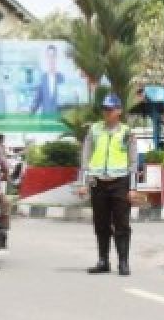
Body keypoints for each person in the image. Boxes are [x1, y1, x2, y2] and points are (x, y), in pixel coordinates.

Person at [79, 94, 137, 276]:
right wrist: (83, 183)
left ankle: (123, 262)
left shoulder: (126, 132)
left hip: (120, 183)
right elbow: (85, 159)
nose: (107, 112)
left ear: (119, 111)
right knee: (101, 223)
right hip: (98, 183)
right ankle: (103, 260)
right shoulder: (94, 130)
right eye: (105, 109)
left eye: (110, 109)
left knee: (122, 224)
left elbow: (133, 162)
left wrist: (133, 188)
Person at [29, 44, 65, 116]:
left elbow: (66, 101)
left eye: (53, 56)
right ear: (46, 58)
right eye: (49, 56)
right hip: (46, 119)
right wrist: (30, 113)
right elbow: (37, 100)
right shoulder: (42, 79)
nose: (51, 59)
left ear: (56, 58)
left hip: (60, 120)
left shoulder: (62, 78)